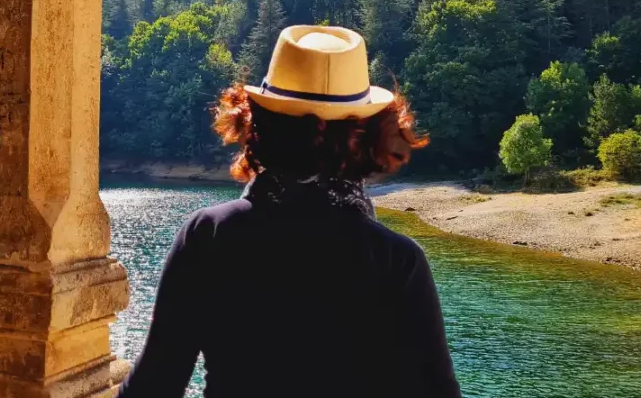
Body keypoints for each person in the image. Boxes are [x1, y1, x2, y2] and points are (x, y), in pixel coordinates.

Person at [117, 25, 461, 398]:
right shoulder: (396, 259)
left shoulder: (209, 234)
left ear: (257, 125)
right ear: (367, 139)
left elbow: (155, 384)